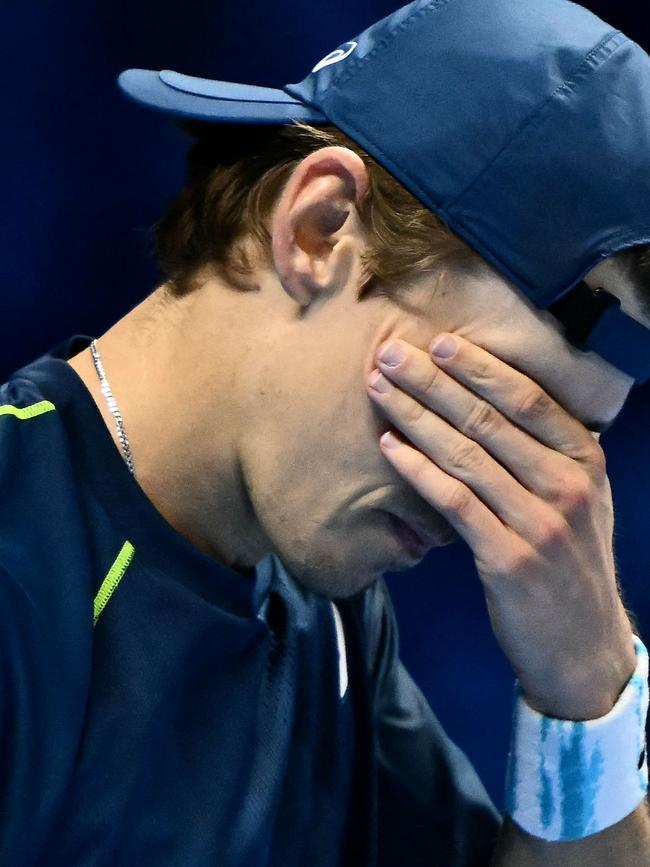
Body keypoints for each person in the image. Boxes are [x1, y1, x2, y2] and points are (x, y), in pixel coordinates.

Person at [2, 0, 650, 864]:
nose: (496, 513)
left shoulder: (333, 624)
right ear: (321, 228)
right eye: (499, 408)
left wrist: (588, 692)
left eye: (556, 457)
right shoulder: (19, 558)